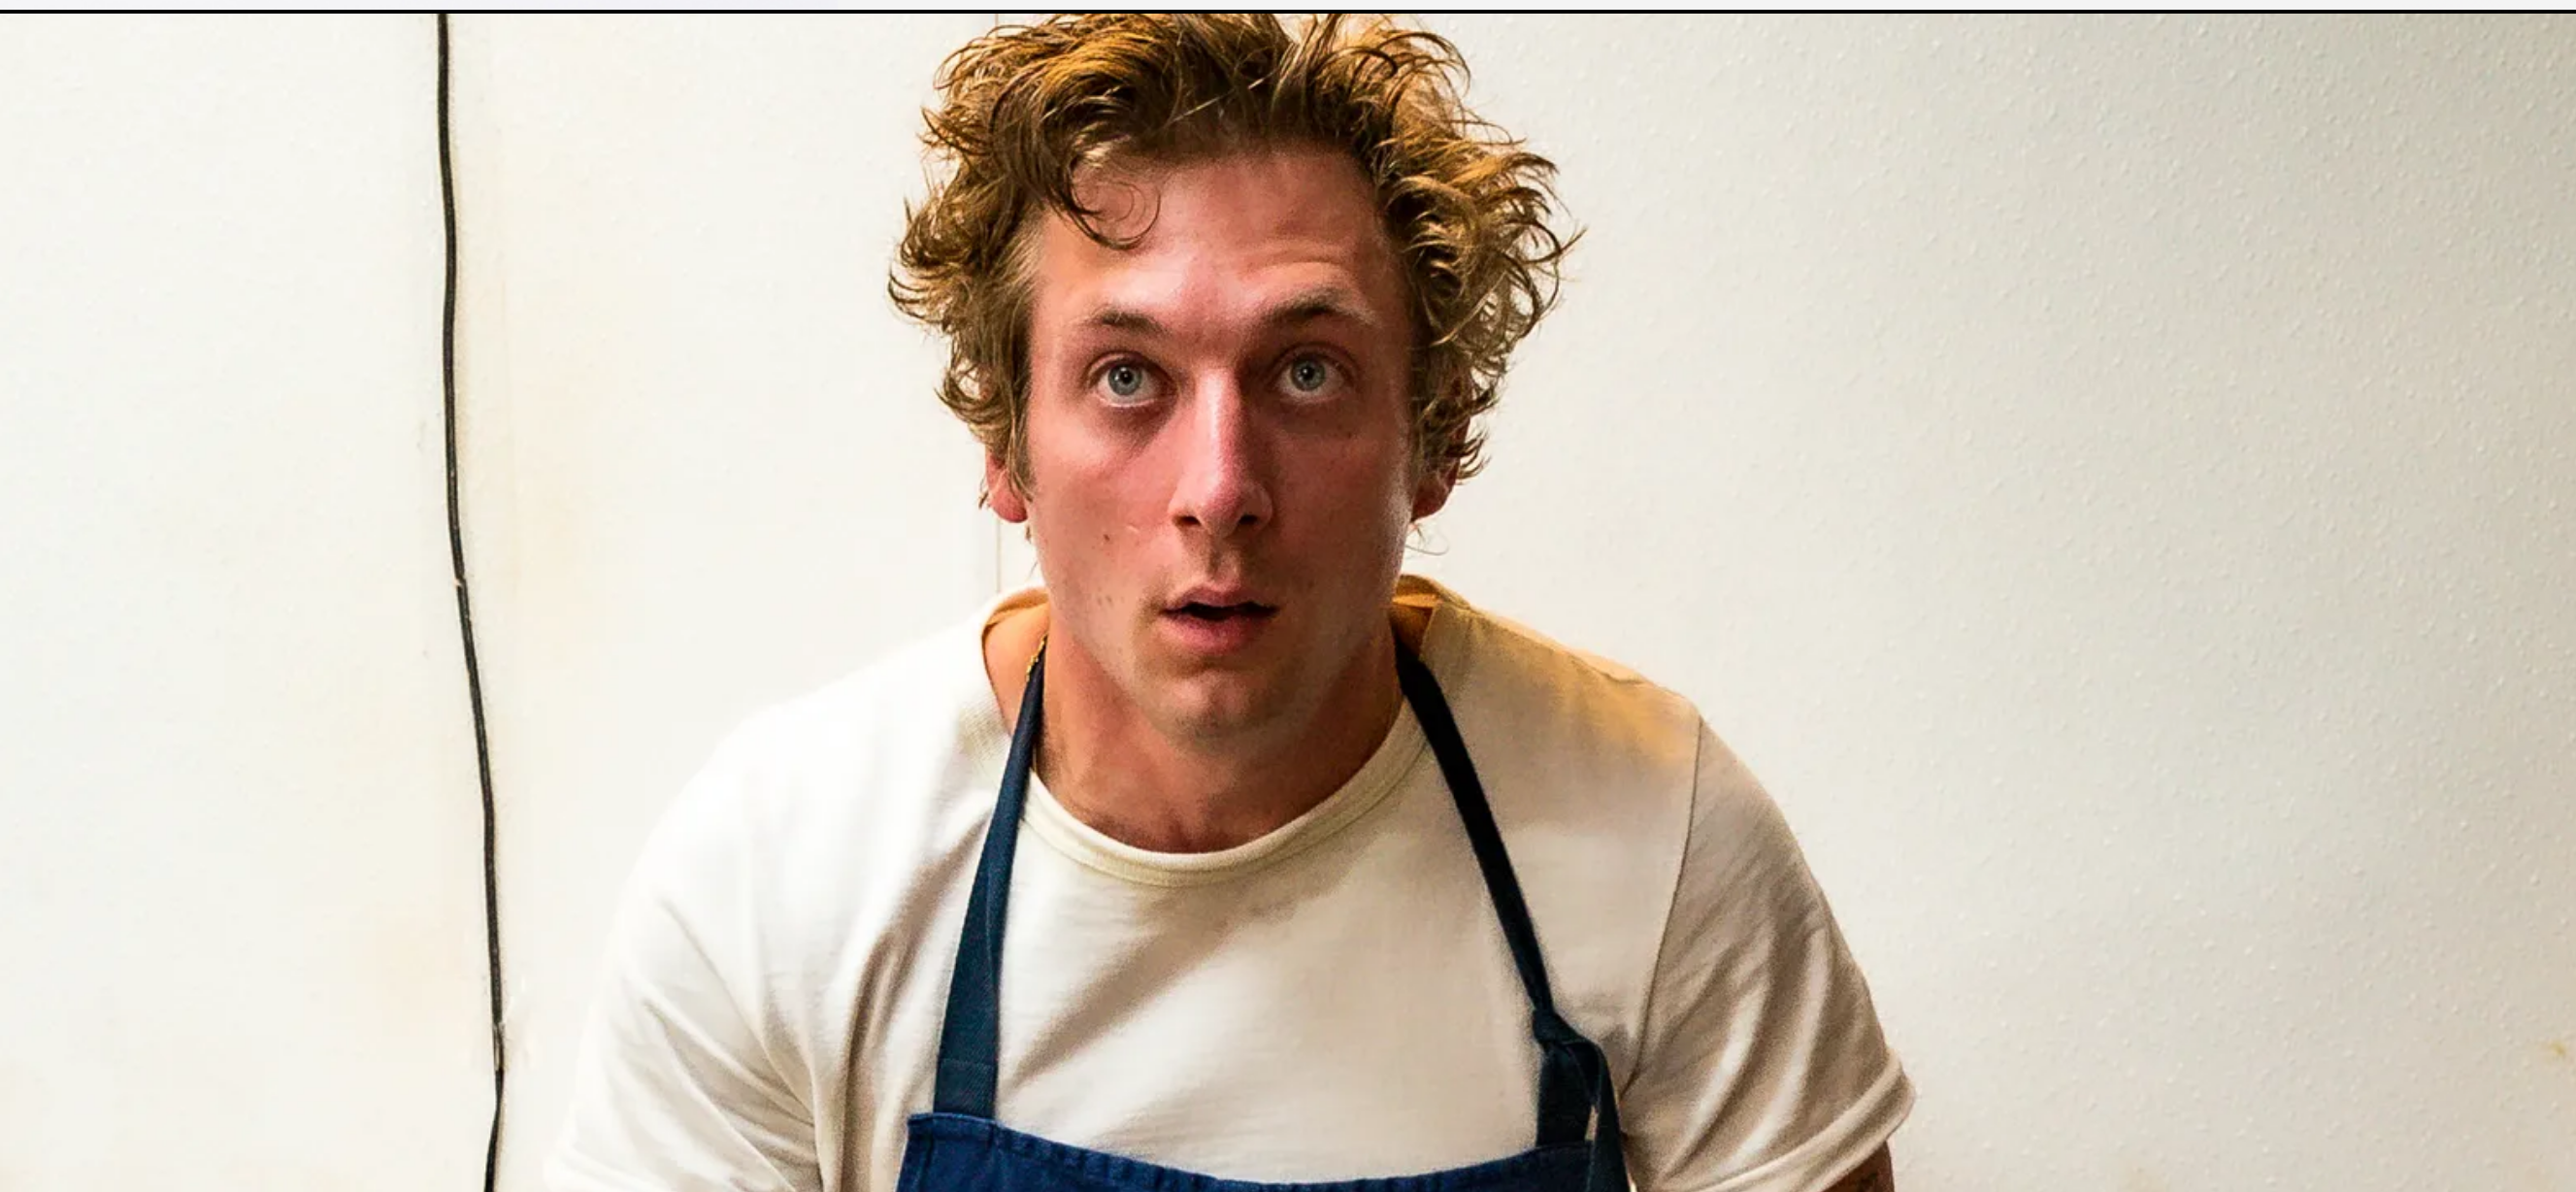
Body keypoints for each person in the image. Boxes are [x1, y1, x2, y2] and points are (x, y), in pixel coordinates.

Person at [549, 14, 1911, 1192]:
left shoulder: (1656, 827)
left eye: (1306, 371)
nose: (1219, 489)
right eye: (1127, 378)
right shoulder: (781, 875)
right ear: (1005, 446)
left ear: (1432, 437)